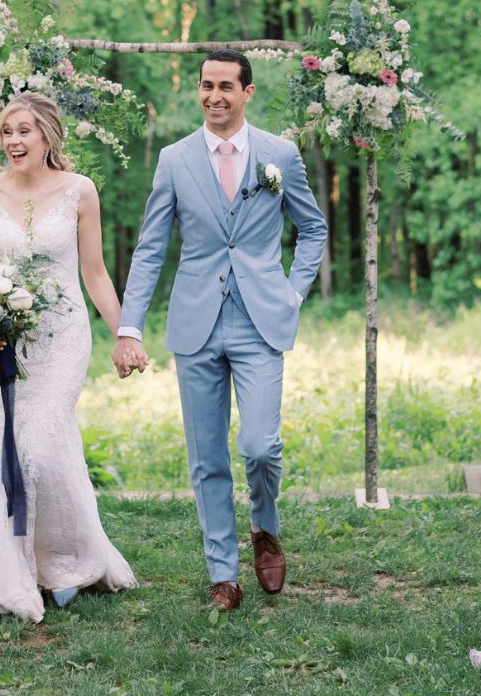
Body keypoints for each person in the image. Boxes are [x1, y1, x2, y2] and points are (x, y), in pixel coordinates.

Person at [112, 49, 327, 612]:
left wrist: (293, 290)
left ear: (247, 92)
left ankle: (265, 527)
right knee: (207, 457)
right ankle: (222, 577)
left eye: (226, 86)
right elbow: (152, 247)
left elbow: (314, 227)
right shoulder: (175, 159)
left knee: (261, 446)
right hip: (197, 322)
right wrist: (129, 326)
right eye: (206, 85)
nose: (214, 96)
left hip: (261, 320)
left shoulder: (280, 154)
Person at [0, 93, 136, 621]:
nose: (13, 140)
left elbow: (95, 273)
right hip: (2, 341)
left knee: (43, 443)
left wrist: (126, 334)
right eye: (6, 132)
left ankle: (68, 563)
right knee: (9, 446)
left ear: (48, 137)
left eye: (24, 131)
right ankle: (19, 568)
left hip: (62, 338)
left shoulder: (81, 191)